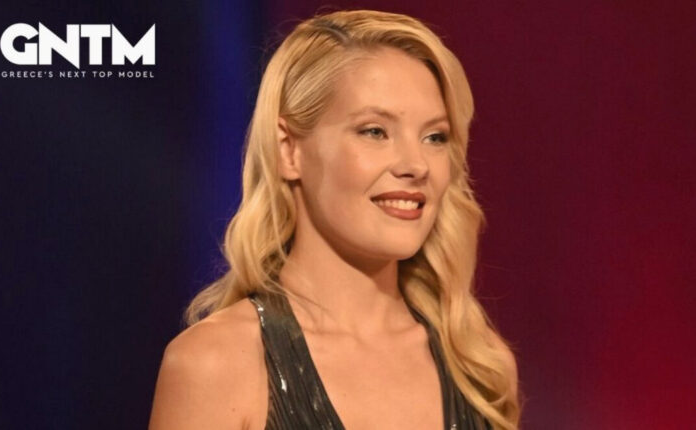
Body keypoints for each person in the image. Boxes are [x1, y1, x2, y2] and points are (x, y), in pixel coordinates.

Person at [148, 9, 522, 430]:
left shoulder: (478, 368)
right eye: (375, 131)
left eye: (434, 137)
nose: (417, 165)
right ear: (288, 149)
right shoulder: (216, 365)